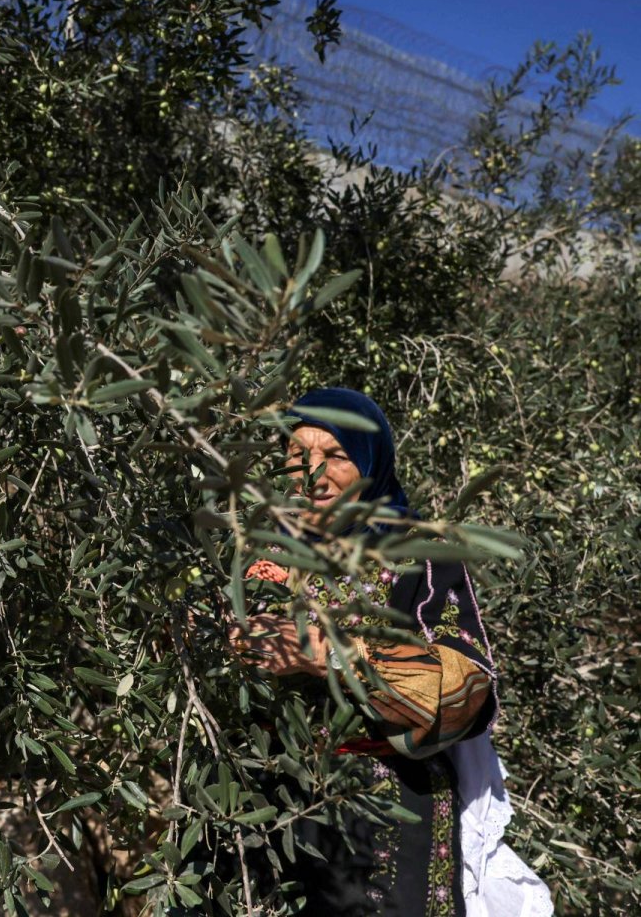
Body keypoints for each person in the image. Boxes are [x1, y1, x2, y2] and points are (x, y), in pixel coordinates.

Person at [228, 388, 547, 917]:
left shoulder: (418, 555)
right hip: (259, 811)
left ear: (372, 464)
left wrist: (326, 652)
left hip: (381, 816)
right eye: (296, 455)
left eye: (335, 456)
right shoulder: (253, 551)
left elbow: (463, 689)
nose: (314, 475)